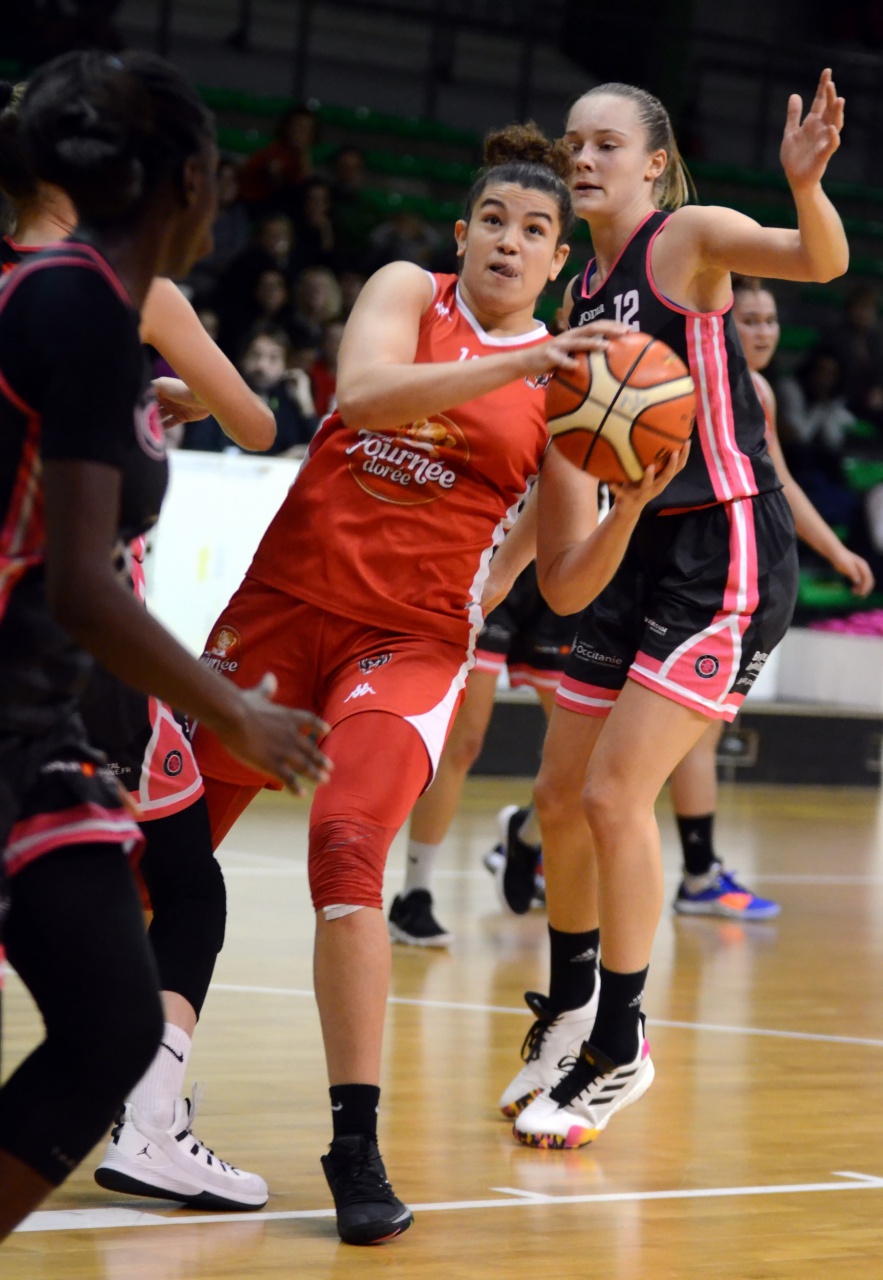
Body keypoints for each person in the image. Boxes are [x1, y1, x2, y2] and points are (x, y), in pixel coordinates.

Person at [177, 122, 683, 1244]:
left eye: (535, 230)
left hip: (406, 643)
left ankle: (353, 1145)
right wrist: (520, 365)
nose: (510, 240)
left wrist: (630, 508)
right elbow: (361, 397)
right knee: (158, 854)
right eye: (493, 220)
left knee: (345, 847)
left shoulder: (565, 395)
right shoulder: (409, 292)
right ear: (461, 234)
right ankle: (138, 1094)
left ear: (558, 261)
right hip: (281, 608)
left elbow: (562, 581)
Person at [0, 52, 330, 1243]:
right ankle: (152, 1124)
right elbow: (86, 586)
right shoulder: (84, 306)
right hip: (48, 688)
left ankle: (147, 1115)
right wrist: (236, 710)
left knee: (113, 1014)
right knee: (158, 932)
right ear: (185, 181)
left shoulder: (62, 299)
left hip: (41, 709)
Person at [504, 71, 848, 1151]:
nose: (583, 158)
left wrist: (804, 187)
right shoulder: (576, 299)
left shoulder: (686, 239)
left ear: (654, 164)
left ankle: (621, 1042)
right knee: (558, 795)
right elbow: (566, 468)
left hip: (724, 543)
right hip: (634, 545)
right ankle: (568, 1014)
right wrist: (500, 568)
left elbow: (820, 262)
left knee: (615, 794)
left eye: (606, 144)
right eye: (573, 143)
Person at [669, 276, 874, 919]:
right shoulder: (688, 381)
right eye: (749, 320)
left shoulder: (758, 391)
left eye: (770, 320)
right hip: (687, 571)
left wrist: (835, 551)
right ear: (722, 325)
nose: (763, 331)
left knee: (688, 735)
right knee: (672, 737)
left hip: (729, 572)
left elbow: (778, 480)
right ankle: (694, 874)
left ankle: (694, 872)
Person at [388, 559, 577, 946]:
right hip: (492, 560)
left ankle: (525, 835)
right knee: (463, 743)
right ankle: (414, 894)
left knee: (579, 752)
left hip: (561, 563)